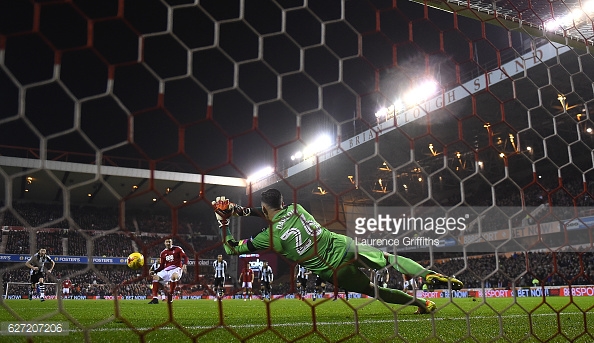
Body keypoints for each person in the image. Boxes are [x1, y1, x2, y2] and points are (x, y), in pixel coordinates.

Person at [212, 189, 464, 314]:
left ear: (265, 210)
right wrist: (241, 209)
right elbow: (269, 210)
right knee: (389, 259)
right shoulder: (298, 208)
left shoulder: (268, 238)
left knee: (373, 290)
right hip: (343, 245)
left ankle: (421, 303)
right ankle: (428, 274)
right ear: (283, 203)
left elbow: (232, 249)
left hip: (332, 270)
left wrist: (225, 221)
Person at [148, 239, 188, 304]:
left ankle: (170, 294)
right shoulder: (163, 253)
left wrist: (184, 264)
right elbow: (161, 266)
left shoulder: (177, 249)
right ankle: (155, 298)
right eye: (167, 242)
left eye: (169, 242)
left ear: (172, 242)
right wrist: (155, 271)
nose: (168, 243)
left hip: (176, 268)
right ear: (165, 243)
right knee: (155, 278)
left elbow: (185, 257)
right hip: (166, 270)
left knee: (173, 277)